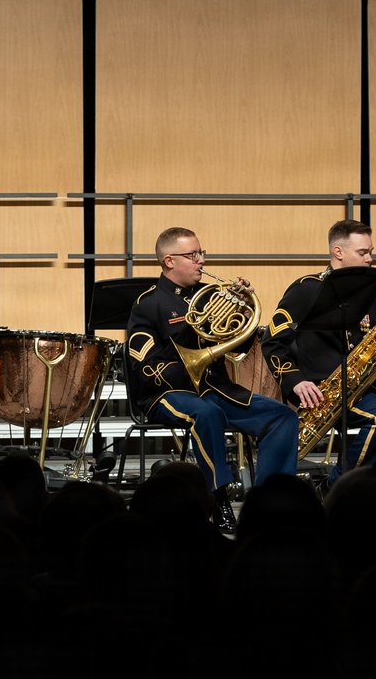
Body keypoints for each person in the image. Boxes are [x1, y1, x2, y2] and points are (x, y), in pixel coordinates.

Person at [125, 227, 299, 535]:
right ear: (169, 261)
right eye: (193, 255)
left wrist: (243, 307)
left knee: (282, 416)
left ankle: (267, 501)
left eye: (201, 253)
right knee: (206, 413)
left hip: (215, 389)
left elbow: (239, 349)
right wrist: (192, 338)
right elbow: (148, 371)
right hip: (166, 395)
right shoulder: (147, 305)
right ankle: (217, 498)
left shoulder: (210, 296)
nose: (201, 261)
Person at [261, 219, 376, 483]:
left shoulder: (372, 294)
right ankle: (338, 485)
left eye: (370, 252)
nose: (370, 259)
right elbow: (272, 341)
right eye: (362, 252)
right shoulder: (306, 288)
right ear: (338, 252)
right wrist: (295, 380)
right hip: (322, 388)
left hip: (363, 384)